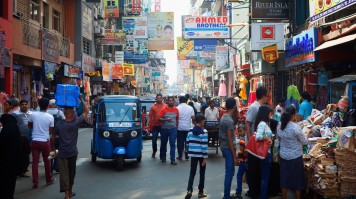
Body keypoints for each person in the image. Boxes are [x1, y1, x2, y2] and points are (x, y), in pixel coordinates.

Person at [51, 94, 89, 199]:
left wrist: (53, 149)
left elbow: (53, 137)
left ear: (64, 113)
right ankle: (69, 192)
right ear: (72, 113)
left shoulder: (59, 124)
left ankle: (67, 193)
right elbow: (86, 111)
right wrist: (81, 99)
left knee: (64, 174)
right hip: (72, 152)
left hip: (62, 153)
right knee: (72, 173)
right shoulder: (76, 122)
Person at [277, 106, 309, 199]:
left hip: (283, 156)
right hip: (295, 156)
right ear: (294, 115)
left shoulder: (280, 125)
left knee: (284, 178)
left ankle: (284, 197)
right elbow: (305, 141)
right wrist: (307, 135)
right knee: (297, 179)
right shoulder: (295, 127)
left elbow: (279, 137)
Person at [245, 86, 268, 198]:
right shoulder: (254, 107)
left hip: (258, 142)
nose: (267, 97)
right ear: (263, 96)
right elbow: (248, 123)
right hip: (254, 143)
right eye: (267, 95)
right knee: (253, 169)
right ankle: (253, 191)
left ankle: (255, 191)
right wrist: (250, 140)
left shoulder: (260, 106)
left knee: (256, 169)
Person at [28, 97, 55, 189]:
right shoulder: (50, 117)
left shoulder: (33, 114)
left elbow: (29, 125)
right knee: (47, 161)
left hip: (35, 140)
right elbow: (50, 130)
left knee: (35, 162)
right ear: (48, 106)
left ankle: (35, 183)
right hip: (45, 141)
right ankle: (49, 179)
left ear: (38, 105)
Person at [185, 114, 208, 199]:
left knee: (192, 172)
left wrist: (190, 153)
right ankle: (200, 192)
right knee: (202, 173)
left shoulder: (190, 130)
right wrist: (205, 158)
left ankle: (189, 190)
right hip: (201, 155)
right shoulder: (204, 131)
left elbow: (187, 142)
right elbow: (204, 146)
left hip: (193, 155)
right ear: (201, 121)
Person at [219, 97, 238, 199]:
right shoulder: (229, 120)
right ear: (234, 107)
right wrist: (234, 156)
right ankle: (226, 195)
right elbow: (230, 139)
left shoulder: (224, 117)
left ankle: (227, 194)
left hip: (224, 146)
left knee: (229, 171)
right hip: (228, 147)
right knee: (229, 172)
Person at [0, 114, 22, 199]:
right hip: (14, 160)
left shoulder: (4, 131)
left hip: (3, 160)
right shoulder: (16, 130)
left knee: (3, 179)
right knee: (11, 180)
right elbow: (19, 147)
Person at [254, 105, 274, 199]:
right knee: (265, 176)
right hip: (265, 153)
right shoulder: (262, 124)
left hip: (266, 152)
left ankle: (263, 195)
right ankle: (263, 196)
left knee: (265, 176)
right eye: (270, 113)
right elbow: (258, 136)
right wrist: (268, 138)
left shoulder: (264, 123)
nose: (271, 115)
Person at [13, 99, 32, 178]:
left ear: (28, 105)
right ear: (20, 106)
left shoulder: (32, 114)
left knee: (26, 154)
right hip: (19, 137)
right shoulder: (15, 114)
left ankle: (23, 170)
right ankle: (18, 171)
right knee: (19, 154)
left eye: (25, 104)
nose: (24, 105)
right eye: (22, 104)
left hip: (29, 137)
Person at [158, 96, 179, 165]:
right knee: (163, 143)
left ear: (173, 101)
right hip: (164, 129)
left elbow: (177, 119)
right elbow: (159, 118)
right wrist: (165, 120)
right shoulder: (163, 110)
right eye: (169, 101)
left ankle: (172, 159)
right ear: (167, 102)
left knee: (172, 144)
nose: (171, 102)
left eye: (172, 101)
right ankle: (163, 157)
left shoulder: (176, 110)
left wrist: (176, 127)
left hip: (173, 129)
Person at [47, 99, 65, 174]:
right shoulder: (60, 112)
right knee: (57, 151)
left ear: (49, 105)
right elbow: (64, 122)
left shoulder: (46, 112)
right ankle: (57, 167)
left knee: (51, 151)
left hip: (49, 135)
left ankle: (50, 168)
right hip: (58, 135)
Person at [177, 96, 195, 160]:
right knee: (187, 141)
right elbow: (193, 118)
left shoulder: (177, 108)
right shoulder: (190, 108)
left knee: (179, 142)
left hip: (179, 128)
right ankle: (187, 154)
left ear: (179, 101)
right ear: (185, 101)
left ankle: (180, 155)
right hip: (188, 127)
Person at [148, 94, 166, 158]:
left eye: (160, 98)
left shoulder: (165, 106)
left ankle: (162, 154)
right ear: (156, 99)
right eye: (158, 98)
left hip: (163, 126)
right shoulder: (153, 106)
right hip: (155, 126)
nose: (159, 99)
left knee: (163, 140)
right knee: (154, 140)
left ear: (162, 99)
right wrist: (148, 125)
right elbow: (150, 117)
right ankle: (154, 151)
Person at [233, 124, 248, 199]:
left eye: (241, 131)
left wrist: (238, 156)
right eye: (238, 131)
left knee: (239, 176)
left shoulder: (242, 139)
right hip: (248, 161)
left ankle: (238, 192)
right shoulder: (248, 137)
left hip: (243, 161)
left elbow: (241, 150)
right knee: (248, 176)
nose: (239, 132)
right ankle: (251, 190)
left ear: (245, 130)